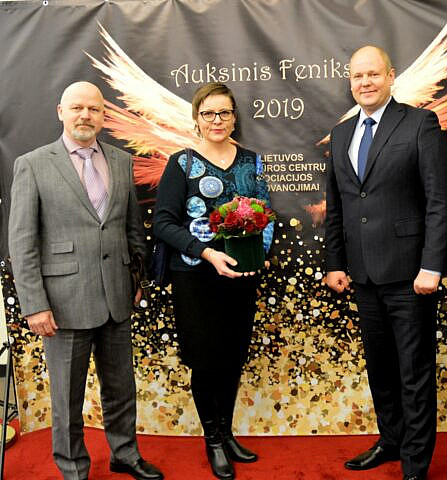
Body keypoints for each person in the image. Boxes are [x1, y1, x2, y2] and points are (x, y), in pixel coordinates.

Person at [8, 82, 163, 480]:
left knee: (121, 388)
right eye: (77, 107)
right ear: (61, 111)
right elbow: (22, 241)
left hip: (117, 296)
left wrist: (137, 277)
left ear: (103, 115)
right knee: (67, 396)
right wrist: (34, 305)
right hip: (63, 303)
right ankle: (73, 467)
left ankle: (125, 454)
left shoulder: (121, 161)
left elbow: (132, 228)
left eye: (94, 109)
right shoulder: (33, 164)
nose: (85, 115)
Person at [324, 46, 447, 480]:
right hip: (362, 275)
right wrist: (335, 263)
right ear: (350, 82)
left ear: (391, 76)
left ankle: (415, 464)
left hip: (410, 275)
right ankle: (391, 440)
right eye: (357, 76)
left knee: (414, 372)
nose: (365, 82)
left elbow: (440, 201)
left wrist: (432, 266)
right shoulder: (341, 134)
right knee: (380, 367)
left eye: (373, 74)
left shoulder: (420, 123)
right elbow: (338, 206)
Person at [153, 82, 273, 480]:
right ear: (197, 119)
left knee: (233, 357)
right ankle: (213, 439)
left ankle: (226, 432)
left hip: (240, 277)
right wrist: (206, 252)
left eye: (224, 112)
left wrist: (257, 256)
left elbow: (265, 215)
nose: (216, 120)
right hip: (195, 278)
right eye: (208, 113)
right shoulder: (181, 164)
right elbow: (163, 223)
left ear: (234, 117)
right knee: (206, 362)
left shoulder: (252, 161)